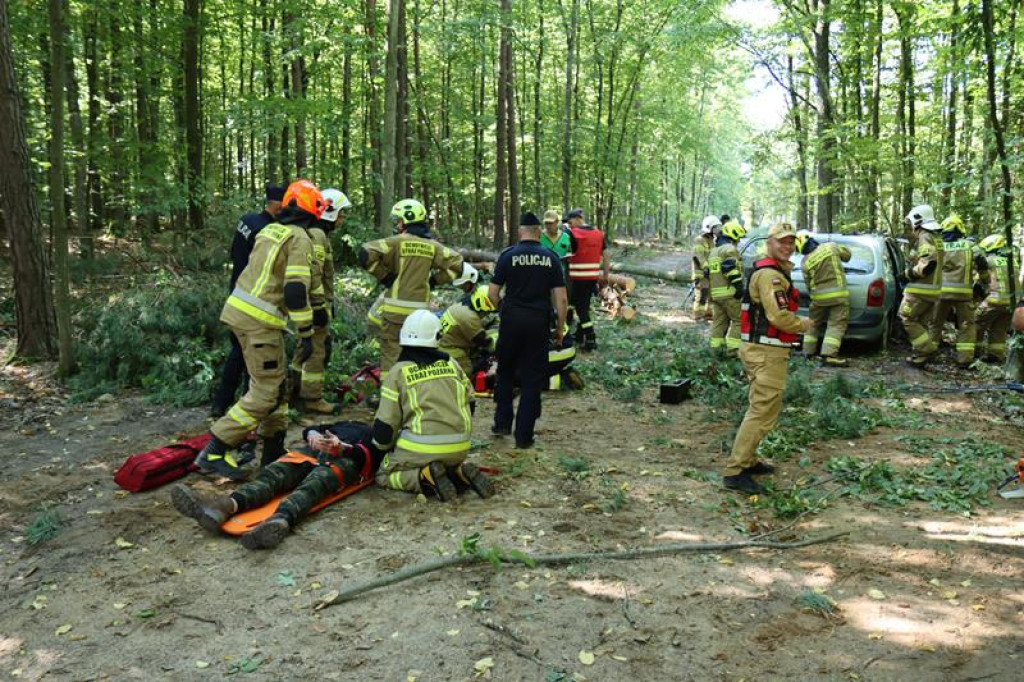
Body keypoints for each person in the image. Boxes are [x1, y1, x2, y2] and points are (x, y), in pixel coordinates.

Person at [194, 179, 324, 479]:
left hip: (242, 312)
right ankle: (215, 448)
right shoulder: (300, 238)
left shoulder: (269, 230)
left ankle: (273, 451)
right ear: (312, 211)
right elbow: (294, 291)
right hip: (259, 321)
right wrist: (306, 332)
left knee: (277, 387)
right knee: (265, 390)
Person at [171, 421, 382, 550]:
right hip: (312, 453)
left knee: (314, 485)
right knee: (274, 474)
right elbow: (312, 428)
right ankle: (225, 506)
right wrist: (314, 436)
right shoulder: (349, 422)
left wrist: (343, 448)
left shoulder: (380, 437)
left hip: (345, 459)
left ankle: (280, 520)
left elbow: (372, 457)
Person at [723, 223, 814, 494]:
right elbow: (778, 316)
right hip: (764, 352)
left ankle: (748, 461)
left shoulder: (777, 272)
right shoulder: (769, 276)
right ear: (769, 243)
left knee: (766, 409)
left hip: (769, 350)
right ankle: (735, 471)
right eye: (781, 242)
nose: (787, 247)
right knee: (761, 410)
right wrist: (804, 325)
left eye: (791, 242)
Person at [371, 310, 493, 501]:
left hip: (420, 449)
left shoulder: (398, 372)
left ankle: (422, 477)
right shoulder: (452, 364)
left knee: (383, 476)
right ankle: (457, 472)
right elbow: (471, 403)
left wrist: (381, 448)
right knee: (444, 464)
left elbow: (385, 428)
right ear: (437, 336)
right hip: (459, 446)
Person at [489, 212, 569, 449]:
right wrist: (560, 328)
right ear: (539, 232)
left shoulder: (507, 256)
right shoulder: (551, 258)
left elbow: (492, 293)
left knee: (505, 371)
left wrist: (504, 309)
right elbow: (561, 298)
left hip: (512, 320)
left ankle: (502, 423)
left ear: (520, 232)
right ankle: (524, 436)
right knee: (533, 378)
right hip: (538, 321)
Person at [359, 199, 464, 373]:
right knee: (417, 358)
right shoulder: (433, 247)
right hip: (419, 315)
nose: (398, 224)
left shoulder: (396, 242)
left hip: (394, 313)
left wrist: (385, 277)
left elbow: (364, 253)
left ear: (407, 220)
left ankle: (390, 395)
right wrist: (434, 281)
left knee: (390, 358)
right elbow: (457, 265)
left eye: (399, 220)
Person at [210, 185, 286, 418]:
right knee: (253, 357)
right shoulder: (267, 230)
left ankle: (220, 404)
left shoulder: (247, 220)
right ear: (277, 205)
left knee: (237, 351)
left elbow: (234, 253)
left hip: (236, 291)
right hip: (254, 298)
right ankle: (248, 405)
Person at [292, 188, 351, 414]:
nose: (342, 219)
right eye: (341, 214)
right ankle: (312, 398)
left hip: (310, 302)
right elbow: (314, 272)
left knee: (303, 349)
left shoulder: (315, 233)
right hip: (313, 303)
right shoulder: (317, 235)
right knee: (317, 350)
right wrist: (320, 306)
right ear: (330, 212)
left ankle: (294, 391)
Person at [930, 214, 987, 367]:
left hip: (940, 293)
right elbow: (983, 264)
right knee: (967, 325)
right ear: (960, 228)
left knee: (935, 323)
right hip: (963, 294)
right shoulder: (970, 246)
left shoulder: (938, 244)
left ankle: (928, 353)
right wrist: (984, 281)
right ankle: (964, 359)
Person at [795, 230, 852, 366]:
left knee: (812, 324)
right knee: (836, 324)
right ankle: (828, 355)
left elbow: (808, 284)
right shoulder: (830, 247)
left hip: (818, 299)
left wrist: (814, 296)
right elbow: (847, 255)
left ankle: (807, 352)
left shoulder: (805, 262)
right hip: (838, 297)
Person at [899, 204, 945, 367]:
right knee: (922, 323)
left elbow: (928, 264)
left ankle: (927, 350)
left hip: (920, 290)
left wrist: (907, 274)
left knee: (906, 317)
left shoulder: (925, 236)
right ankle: (920, 356)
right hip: (933, 290)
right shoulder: (936, 237)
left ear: (917, 221)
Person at [565, 208, 609, 351]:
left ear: (578, 219)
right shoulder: (598, 234)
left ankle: (591, 338)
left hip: (578, 279)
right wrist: (605, 277)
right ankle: (578, 335)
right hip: (592, 278)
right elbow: (606, 256)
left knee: (581, 310)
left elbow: (568, 252)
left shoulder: (573, 234)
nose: (570, 226)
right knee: (583, 306)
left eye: (570, 222)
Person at [975, 234, 1018, 363]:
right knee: (999, 329)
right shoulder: (1012, 261)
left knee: (975, 323)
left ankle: (973, 351)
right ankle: (995, 355)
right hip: (1011, 303)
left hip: (994, 300)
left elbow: (981, 279)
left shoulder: (989, 261)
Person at [707, 221, 747, 355]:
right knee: (739, 321)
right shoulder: (729, 249)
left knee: (719, 322)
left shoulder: (713, 252)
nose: (738, 241)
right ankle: (733, 352)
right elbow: (729, 268)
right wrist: (739, 286)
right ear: (733, 235)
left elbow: (709, 273)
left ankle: (715, 351)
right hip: (730, 293)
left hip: (717, 295)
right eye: (738, 238)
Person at [439, 285, 499, 376]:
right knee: (467, 371)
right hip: (452, 350)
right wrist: (497, 338)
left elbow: (487, 318)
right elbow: (485, 343)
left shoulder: (460, 305)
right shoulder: (469, 317)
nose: (487, 313)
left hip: (442, 343)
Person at [692, 216, 718, 321]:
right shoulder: (699, 240)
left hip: (710, 274)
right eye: (715, 227)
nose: (717, 230)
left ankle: (708, 314)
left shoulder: (713, 241)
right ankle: (698, 316)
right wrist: (706, 268)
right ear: (709, 227)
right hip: (701, 274)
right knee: (701, 296)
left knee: (711, 296)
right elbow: (698, 256)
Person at [541, 209, 572, 281]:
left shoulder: (565, 237)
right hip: (543, 276)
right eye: (546, 223)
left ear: (557, 222)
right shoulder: (539, 237)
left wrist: (568, 257)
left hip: (560, 275)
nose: (548, 226)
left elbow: (571, 252)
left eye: (550, 223)